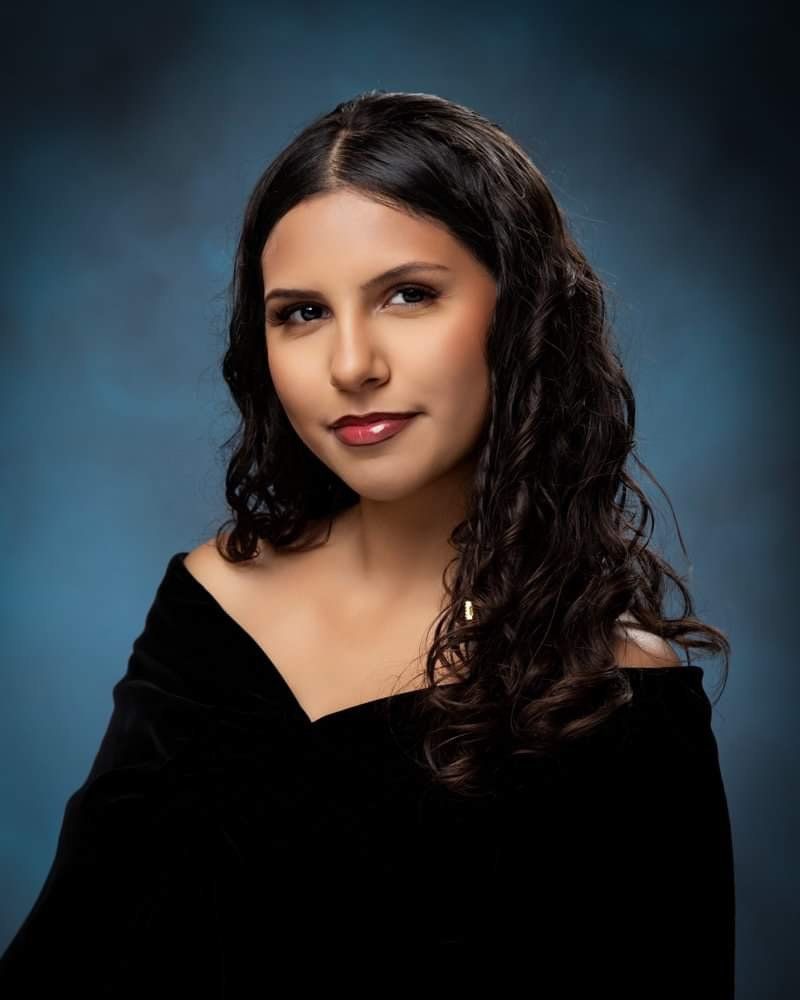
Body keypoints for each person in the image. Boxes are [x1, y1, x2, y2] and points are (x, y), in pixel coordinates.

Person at [0, 90, 735, 997]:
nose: (352, 366)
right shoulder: (211, 605)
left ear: (521, 312)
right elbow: (70, 956)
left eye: (408, 295)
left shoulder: (621, 695)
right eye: (301, 313)